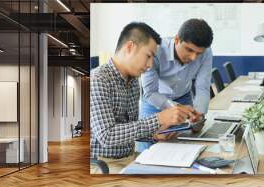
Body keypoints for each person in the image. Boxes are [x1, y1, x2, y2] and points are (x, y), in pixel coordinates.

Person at [90, 22, 200, 174]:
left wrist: (156, 134)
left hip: (129, 157)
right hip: (104, 164)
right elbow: (107, 136)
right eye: (148, 56)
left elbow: (130, 128)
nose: (149, 65)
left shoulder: (134, 81)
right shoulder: (98, 79)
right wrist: (158, 119)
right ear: (129, 47)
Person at [138, 18, 214, 152]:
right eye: (189, 50)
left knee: (184, 143)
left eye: (198, 53)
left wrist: (199, 114)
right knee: (148, 149)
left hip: (184, 98)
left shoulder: (206, 53)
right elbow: (150, 92)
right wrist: (176, 107)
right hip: (154, 102)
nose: (193, 58)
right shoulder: (155, 50)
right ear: (177, 39)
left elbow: (202, 87)